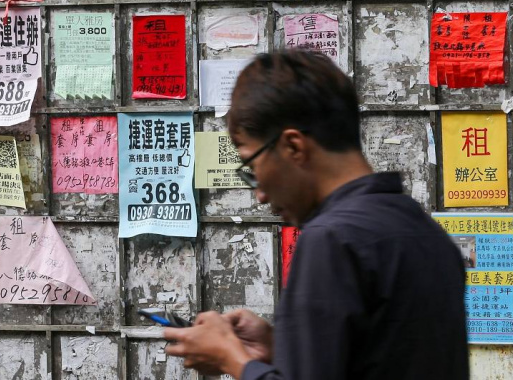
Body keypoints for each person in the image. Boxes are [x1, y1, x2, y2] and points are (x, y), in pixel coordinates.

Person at [164, 50, 469, 380]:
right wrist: (284, 347)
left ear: (293, 147)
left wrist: (231, 359)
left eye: (252, 167)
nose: (260, 194)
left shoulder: (331, 239)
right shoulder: (423, 231)